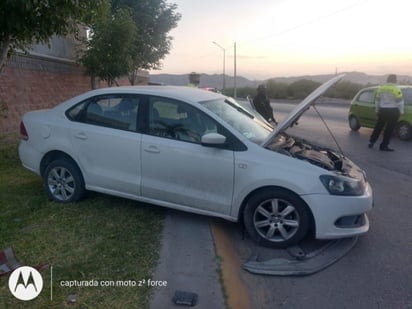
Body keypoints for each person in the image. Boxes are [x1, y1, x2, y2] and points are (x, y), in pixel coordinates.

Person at [368, 74, 404, 151]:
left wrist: (377, 110)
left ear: (387, 80)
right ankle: (384, 146)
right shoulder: (396, 89)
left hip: (382, 110)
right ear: (395, 80)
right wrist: (401, 112)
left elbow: (377, 101)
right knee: (389, 129)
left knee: (378, 127)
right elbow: (400, 102)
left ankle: (371, 141)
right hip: (393, 111)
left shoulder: (381, 89)